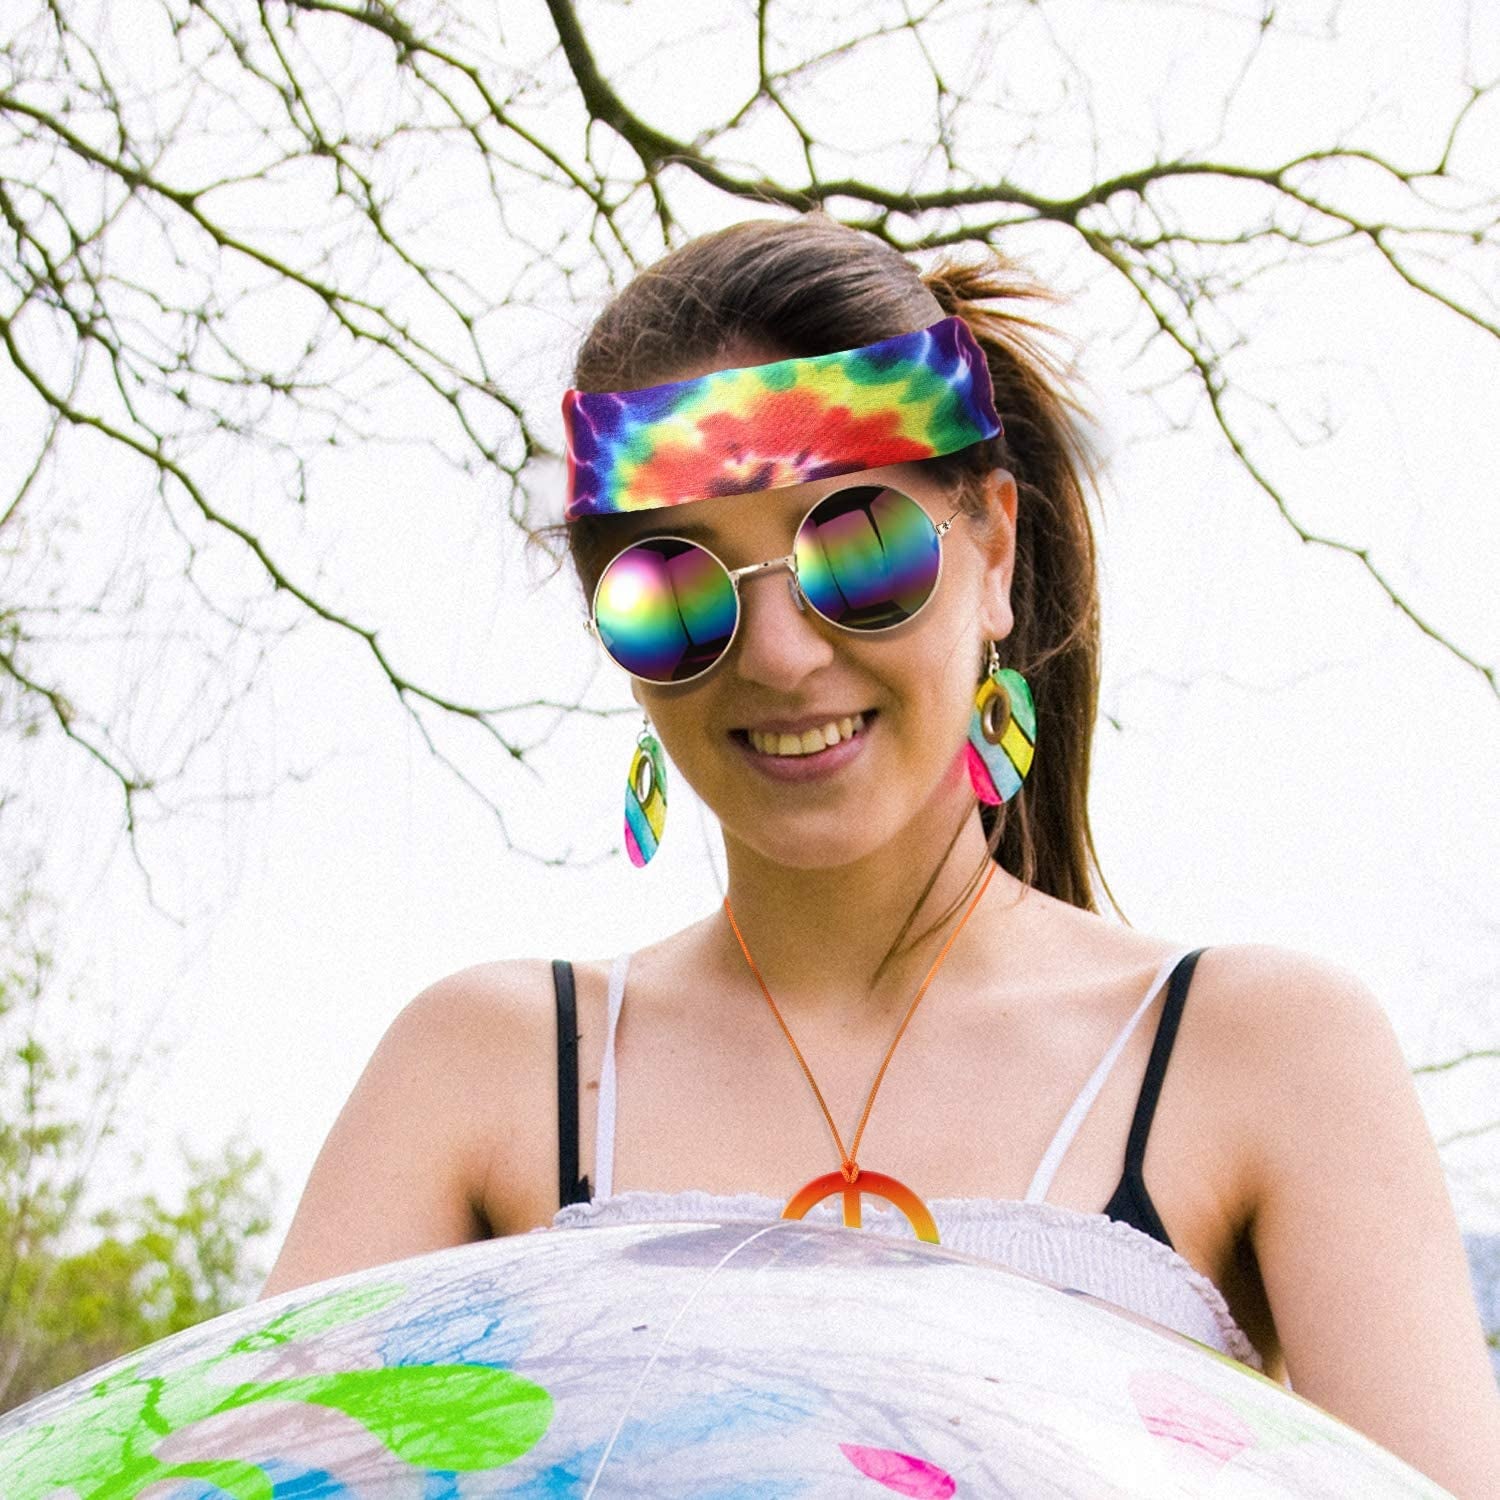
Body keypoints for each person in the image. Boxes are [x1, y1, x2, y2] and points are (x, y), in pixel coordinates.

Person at [262, 216, 1500, 1495]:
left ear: (995, 553)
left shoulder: (1258, 1052)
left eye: (856, 550)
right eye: (675, 586)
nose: (781, 654)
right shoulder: (481, 1074)